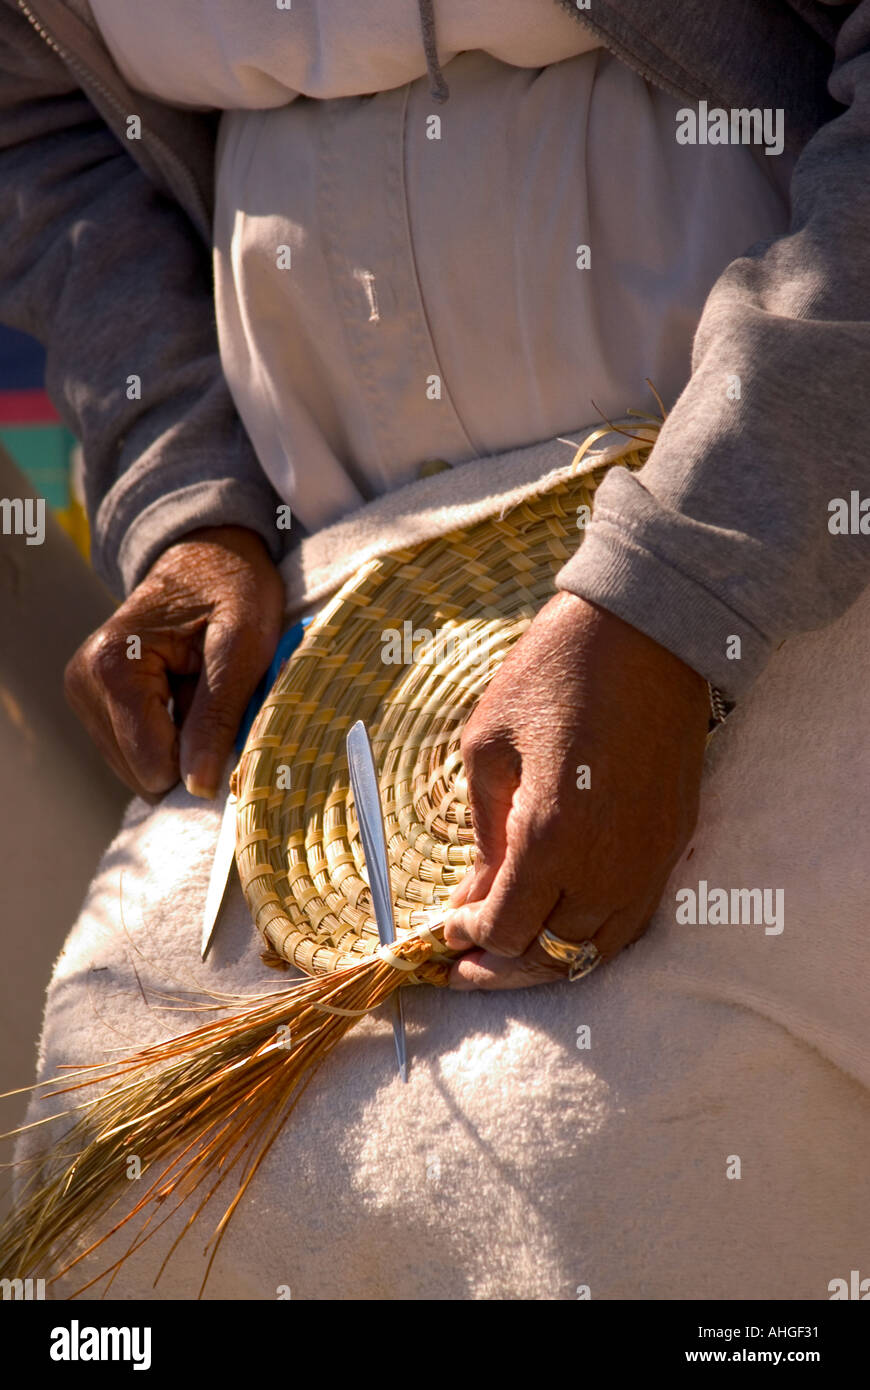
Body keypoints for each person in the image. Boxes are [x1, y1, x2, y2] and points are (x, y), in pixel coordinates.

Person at [1, 0, 868, 998]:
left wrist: (681, 594)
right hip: (316, 577)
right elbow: (40, 125)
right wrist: (184, 492)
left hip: (793, 541)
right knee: (106, 1081)